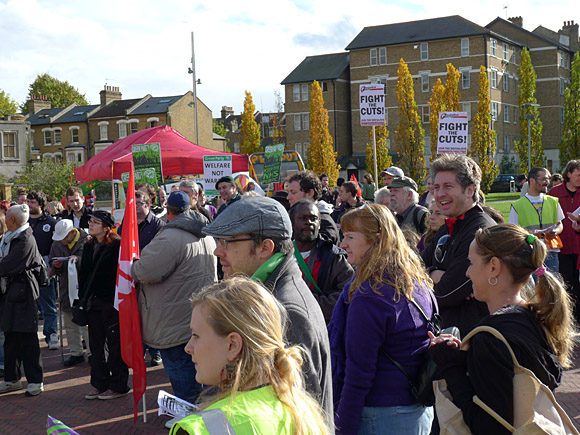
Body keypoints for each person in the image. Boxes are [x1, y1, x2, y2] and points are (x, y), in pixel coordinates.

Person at [429, 224, 575, 434]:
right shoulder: (536, 318)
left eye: (471, 263)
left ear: (494, 267)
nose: (468, 273)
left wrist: (451, 367)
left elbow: (490, 426)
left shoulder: (491, 339)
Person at [202, 196, 333, 421]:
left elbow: (302, 413)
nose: (217, 252)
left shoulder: (286, 310)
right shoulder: (268, 296)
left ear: (265, 248)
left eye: (227, 242)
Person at [170, 278, 329, 434]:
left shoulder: (198, 428)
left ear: (232, 345)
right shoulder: (303, 413)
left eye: (196, 335)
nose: (188, 348)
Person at [329, 204, 435, 434]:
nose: (342, 244)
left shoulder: (370, 295)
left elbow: (358, 374)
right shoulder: (417, 283)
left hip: (383, 415)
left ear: (376, 240)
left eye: (350, 237)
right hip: (417, 410)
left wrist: (342, 428)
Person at [132, 191, 217, 403]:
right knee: (205, 374)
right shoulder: (206, 234)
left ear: (168, 211)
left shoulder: (170, 237)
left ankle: (192, 416)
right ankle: (207, 414)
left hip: (174, 320)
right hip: (200, 315)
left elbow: (145, 271)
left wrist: (132, 264)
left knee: (184, 377)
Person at [421, 154, 495, 338]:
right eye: (437, 187)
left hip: (472, 337)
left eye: (448, 186)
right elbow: (413, 265)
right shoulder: (449, 225)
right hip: (447, 333)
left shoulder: (480, 231)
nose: (439, 194)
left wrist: (426, 277)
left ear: (470, 190)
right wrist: (434, 273)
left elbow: (446, 294)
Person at [78, 210, 129, 400]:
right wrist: (83, 297)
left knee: (114, 344)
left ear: (106, 226)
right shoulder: (89, 245)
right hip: (93, 303)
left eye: (96, 222)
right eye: (90, 221)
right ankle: (99, 383)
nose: (91, 225)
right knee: (96, 346)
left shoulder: (117, 245)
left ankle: (118, 385)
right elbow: (84, 274)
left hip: (111, 303)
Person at [0, 204, 45, 396]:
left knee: (27, 336)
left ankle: (35, 380)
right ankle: (12, 378)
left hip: (24, 293)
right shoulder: (11, 238)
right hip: (10, 293)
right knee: (10, 336)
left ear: (12, 220)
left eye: (7, 217)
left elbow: (9, 265)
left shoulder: (25, 238)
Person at [118, 190, 166, 367]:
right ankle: (141, 348)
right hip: (130, 277)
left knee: (152, 315)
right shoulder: (126, 223)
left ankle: (156, 351)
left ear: (147, 204)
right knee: (136, 314)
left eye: (138, 203)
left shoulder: (158, 225)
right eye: (132, 203)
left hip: (150, 276)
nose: (134, 207)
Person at [289, 200, 354, 323]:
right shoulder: (279, 256)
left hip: (321, 328)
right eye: (302, 218)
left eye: (313, 218)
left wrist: (308, 303)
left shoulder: (334, 257)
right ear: (292, 222)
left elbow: (349, 292)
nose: (308, 222)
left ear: (319, 223)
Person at [49, 219, 90, 367]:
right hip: (66, 288)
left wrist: (78, 260)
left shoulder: (87, 241)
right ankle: (75, 352)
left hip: (84, 288)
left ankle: (92, 352)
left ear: (73, 233)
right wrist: (56, 266)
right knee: (69, 322)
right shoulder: (57, 244)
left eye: (65, 238)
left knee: (87, 323)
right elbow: (52, 263)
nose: (63, 242)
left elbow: (92, 262)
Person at [509, 167, 563, 273]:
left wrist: (555, 231)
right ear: (532, 181)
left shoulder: (553, 201)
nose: (547, 182)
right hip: (530, 252)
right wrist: (536, 233)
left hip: (551, 253)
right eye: (543, 179)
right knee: (533, 288)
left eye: (548, 179)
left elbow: (560, 224)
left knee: (552, 287)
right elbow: (513, 231)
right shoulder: (518, 205)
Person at [548, 160, 580, 325]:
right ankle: (569, 318)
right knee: (566, 284)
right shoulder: (554, 193)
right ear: (568, 174)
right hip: (562, 247)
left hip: (579, 247)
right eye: (578, 174)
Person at [27, 191, 58, 350]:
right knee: (29, 304)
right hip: (26, 268)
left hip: (44, 265)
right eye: (27, 202)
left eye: (32, 202)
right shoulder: (22, 221)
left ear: (40, 204)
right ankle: (29, 336)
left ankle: (52, 334)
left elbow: (56, 245)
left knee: (48, 303)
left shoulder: (50, 222)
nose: (29, 205)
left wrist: (52, 266)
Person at [286, 171, 340, 245]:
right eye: (288, 192)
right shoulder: (293, 216)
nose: (288, 197)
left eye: (293, 192)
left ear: (310, 193)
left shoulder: (324, 222)